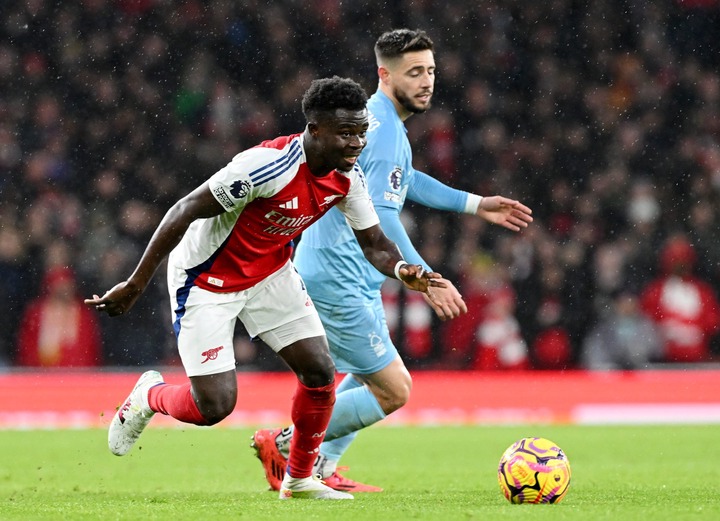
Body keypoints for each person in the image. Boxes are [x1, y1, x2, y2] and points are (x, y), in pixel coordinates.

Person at [85, 76, 445, 501]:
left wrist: (406, 270)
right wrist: (135, 282)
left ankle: (298, 479)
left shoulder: (347, 178)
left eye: (362, 131)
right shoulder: (265, 167)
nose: (357, 142)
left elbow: (375, 244)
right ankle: (150, 396)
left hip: (270, 274)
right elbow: (183, 209)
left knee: (319, 371)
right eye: (346, 132)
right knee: (214, 406)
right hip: (207, 279)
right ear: (315, 130)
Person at [252, 29, 533, 493]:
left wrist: (474, 203)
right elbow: (382, 213)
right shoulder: (381, 130)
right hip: (338, 275)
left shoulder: (379, 124)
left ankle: (320, 466)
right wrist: (427, 278)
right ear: (384, 74)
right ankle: (289, 445)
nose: (427, 82)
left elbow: (405, 181)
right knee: (393, 389)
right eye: (415, 73)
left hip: (346, 274)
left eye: (431, 71)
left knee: (367, 377)